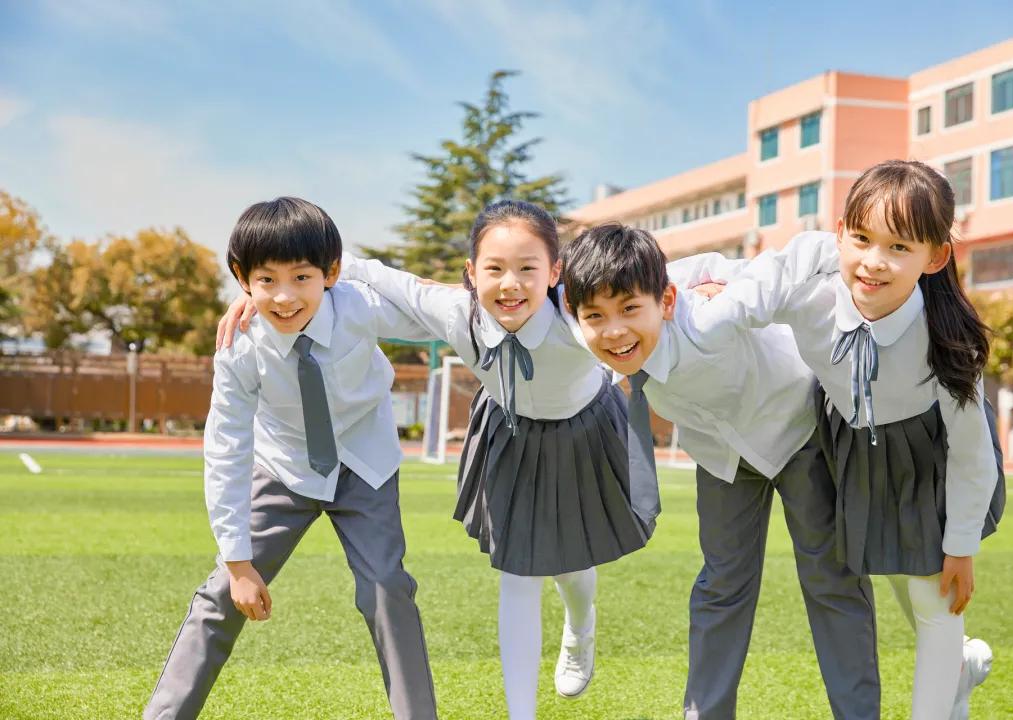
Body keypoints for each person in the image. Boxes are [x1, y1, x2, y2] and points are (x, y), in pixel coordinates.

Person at [220, 199, 658, 719]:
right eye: (494, 269)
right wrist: (261, 291)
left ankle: (580, 628)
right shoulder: (457, 313)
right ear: (471, 274)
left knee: (572, 561)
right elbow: (368, 270)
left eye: (527, 269)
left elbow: (651, 282)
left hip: (584, 428)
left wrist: (715, 278)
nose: (510, 284)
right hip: (513, 436)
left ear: (555, 271)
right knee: (519, 571)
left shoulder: (577, 312)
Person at [668, 159, 1005, 719]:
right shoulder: (812, 291)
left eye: (900, 248)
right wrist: (696, 298)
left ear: (936, 257)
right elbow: (748, 280)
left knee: (931, 599)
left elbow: (972, 457)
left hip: (928, 457)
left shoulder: (950, 346)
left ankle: (948, 685)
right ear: (839, 234)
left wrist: (960, 546)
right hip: (851, 446)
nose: (874, 262)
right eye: (861, 238)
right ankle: (960, 674)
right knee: (889, 570)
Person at [560, 223, 879, 720]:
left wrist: (864, 257)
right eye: (595, 316)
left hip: (795, 426)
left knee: (831, 578)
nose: (614, 330)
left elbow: (798, 257)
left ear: (665, 302)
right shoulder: (590, 329)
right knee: (721, 585)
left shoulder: (712, 316)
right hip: (722, 454)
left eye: (628, 310)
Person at [145, 197, 438, 720]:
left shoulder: (359, 306)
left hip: (363, 462)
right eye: (266, 280)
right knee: (218, 597)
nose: (284, 297)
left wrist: (511, 296)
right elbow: (227, 448)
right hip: (283, 467)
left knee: (388, 590)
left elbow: (433, 309)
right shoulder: (238, 348)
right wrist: (238, 564)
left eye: (301, 277)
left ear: (330, 273)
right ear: (242, 279)